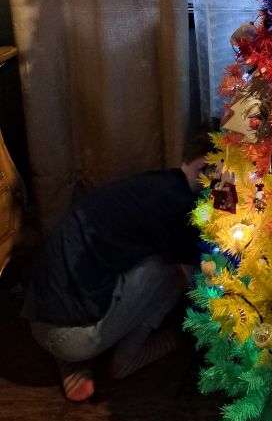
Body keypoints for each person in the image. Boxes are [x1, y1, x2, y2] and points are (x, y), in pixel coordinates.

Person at [23, 131, 214, 402]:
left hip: (37, 318)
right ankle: (127, 357)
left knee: (147, 252)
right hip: (71, 337)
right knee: (174, 267)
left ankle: (71, 354)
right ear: (206, 168)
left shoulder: (154, 183)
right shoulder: (179, 206)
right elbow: (201, 270)